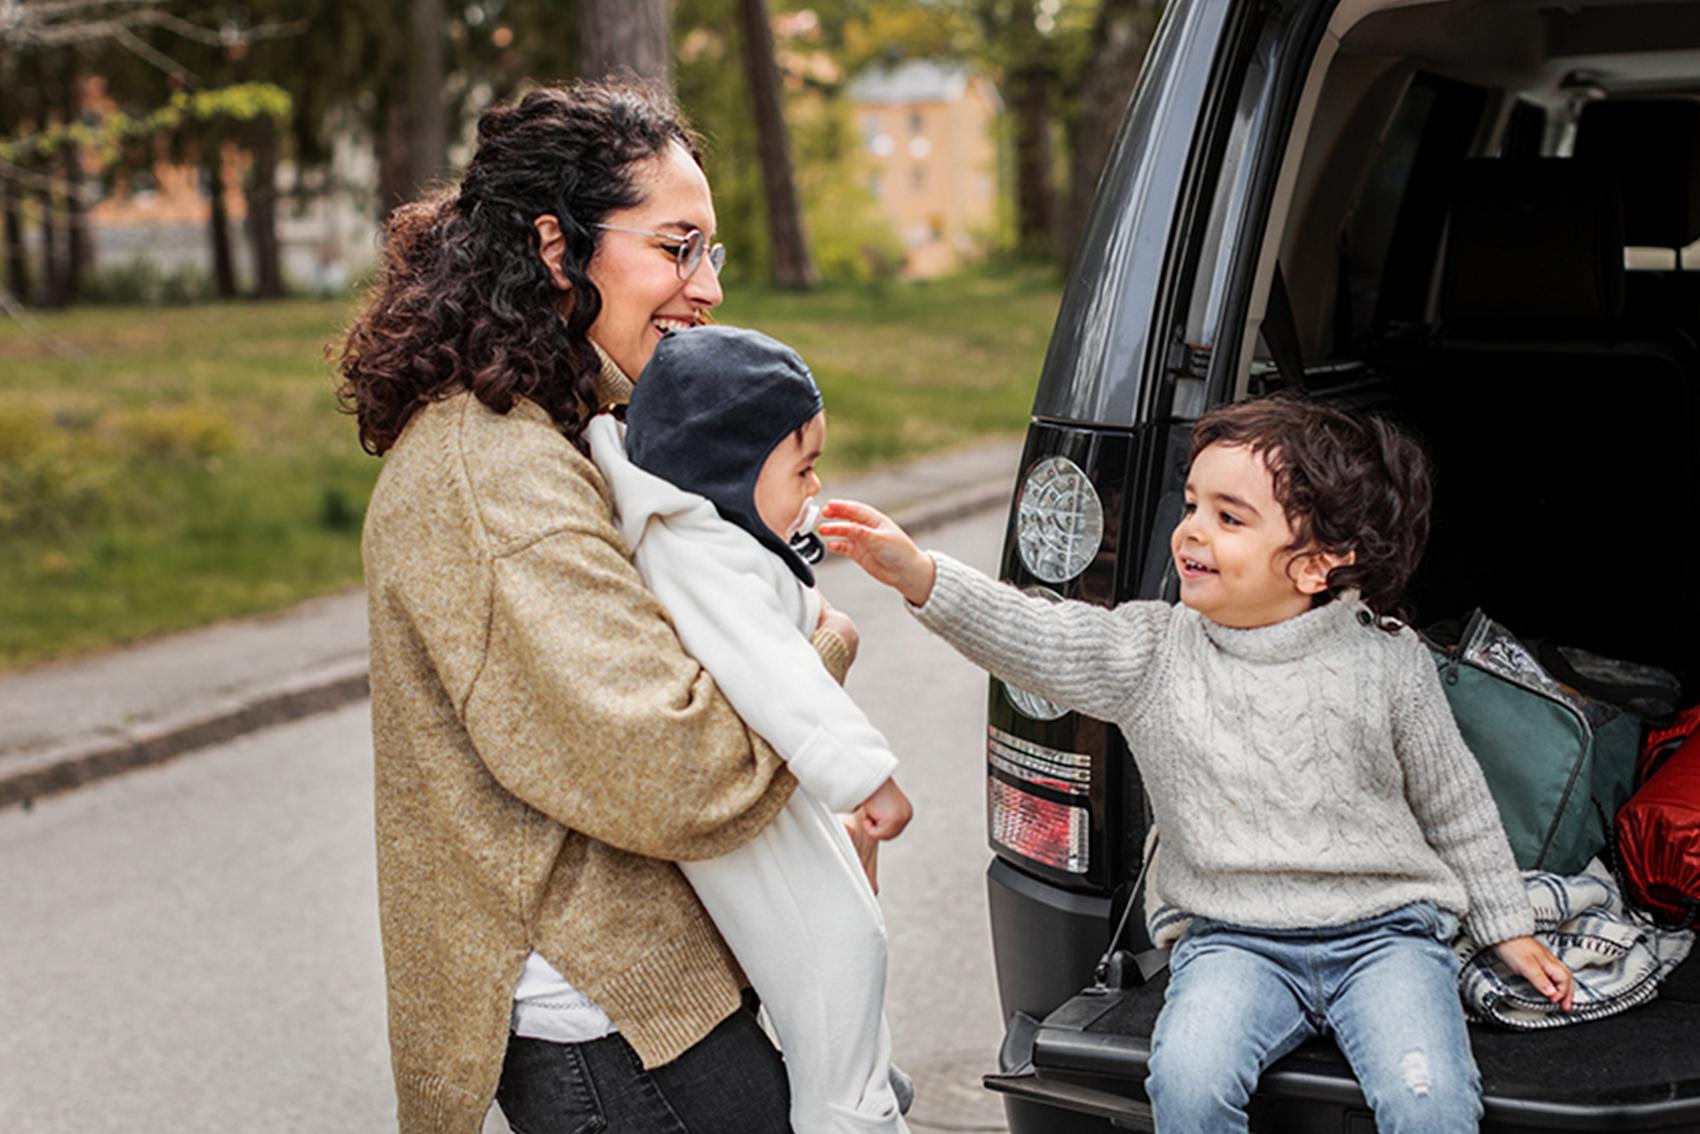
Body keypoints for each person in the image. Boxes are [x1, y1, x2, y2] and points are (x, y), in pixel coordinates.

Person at [820, 395, 1577, 1133]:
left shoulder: (1388, 661)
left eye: (1228, 517)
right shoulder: (1155, 650)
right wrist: (919, 574)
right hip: (1232, 939)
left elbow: (1455, 803)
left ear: (1317, 566)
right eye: (1191, 505)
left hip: (1386, 934)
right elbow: (1038, 637)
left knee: (1429, 1100)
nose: (1190, 532)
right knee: (1186, 1082)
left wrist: (1505, 926)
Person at [338, 80, 846, 1134]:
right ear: (557, 247)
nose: (704, 289)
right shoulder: (494, 477)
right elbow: (679, 771)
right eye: (676, 247)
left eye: (709, 251)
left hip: (639, 992)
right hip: (607, 1018)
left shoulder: (555, 428)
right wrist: (815, 650)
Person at [583, 323, 915, 1134]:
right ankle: (851, 1111)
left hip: (769, 808)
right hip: (742, 831)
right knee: (833, 952)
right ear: (730, 467)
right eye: (801, 467)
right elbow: (775, 671)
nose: (815, 484)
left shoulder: (710, 532)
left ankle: (862, 1091)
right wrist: (866, 775)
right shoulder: (696, 554)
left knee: (847, 939)